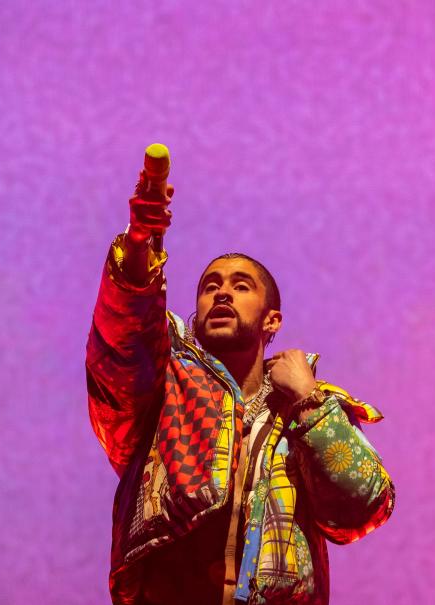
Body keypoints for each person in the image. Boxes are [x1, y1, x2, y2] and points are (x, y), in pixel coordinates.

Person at [85, 169, 395, 604]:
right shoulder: (162, 390)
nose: (222, 294)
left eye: (241, 286)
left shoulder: (307, 409)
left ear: (273, 321)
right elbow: (122, 345)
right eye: (210, 286)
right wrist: (139, 247)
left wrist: (309, 401)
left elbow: (361, 509)